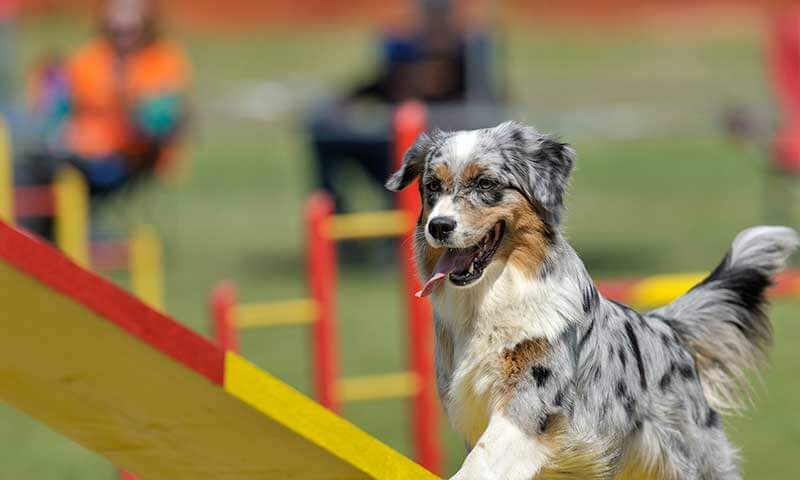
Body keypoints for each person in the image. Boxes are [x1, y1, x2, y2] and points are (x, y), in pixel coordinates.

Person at [307, 0, 499, 214]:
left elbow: (487, 108)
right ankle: (331, 215)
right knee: (323, 131)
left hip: (441, 154)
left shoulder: (468, 57)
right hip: (394, 147)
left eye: (440, 15)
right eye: (430, 14)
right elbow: (379, 84)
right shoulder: (406, 51)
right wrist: (342, 103)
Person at [25, 0, 191, 201]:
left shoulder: (162, 60)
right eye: (117, 12)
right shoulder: (90, 58)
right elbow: (60, 108)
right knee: (31, 167)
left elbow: (161, 122)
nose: (122, 23)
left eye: (131, 14)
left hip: (130, 158)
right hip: (78, 152)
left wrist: (128, 102)